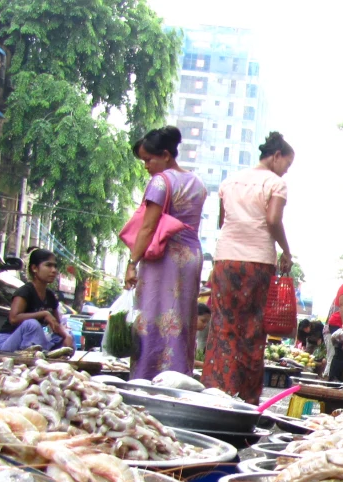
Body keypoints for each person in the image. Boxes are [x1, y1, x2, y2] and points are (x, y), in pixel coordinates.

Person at [201, 132, 295, 402]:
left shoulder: (229, 182)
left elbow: (222, 222)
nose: (285, 172)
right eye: (286, 165)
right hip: (258, 262)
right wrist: (286, 251)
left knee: (222, 328)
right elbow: (273, 219)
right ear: (276, 157)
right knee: (253, 330)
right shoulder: (274, 183)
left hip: (225, 259)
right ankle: (245, 401)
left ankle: (218, 394)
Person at [123, 126, 207, 379]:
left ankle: (147, 377)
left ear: (166, 155)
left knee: (151, 316)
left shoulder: (161, 181)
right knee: (181, 321)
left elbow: (148, 226)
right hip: (191, 256)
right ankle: (178, 377)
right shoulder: (197, 183)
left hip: (164, 256)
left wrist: (131, 262)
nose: (146, 165)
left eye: (149, 159)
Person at [0, 248, 72, 352]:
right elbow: (13, 318)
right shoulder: (25, 291)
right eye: (48, 265)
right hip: (6, 343)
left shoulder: (50, 296)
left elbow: (57, 324)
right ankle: (40, 353)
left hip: (32, 341)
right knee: (31, 324)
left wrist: (66, 336)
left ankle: (46, 353)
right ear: (34, 268)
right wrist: (44, 314)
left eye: (55, 266)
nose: (54, 270)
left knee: (67, 336)